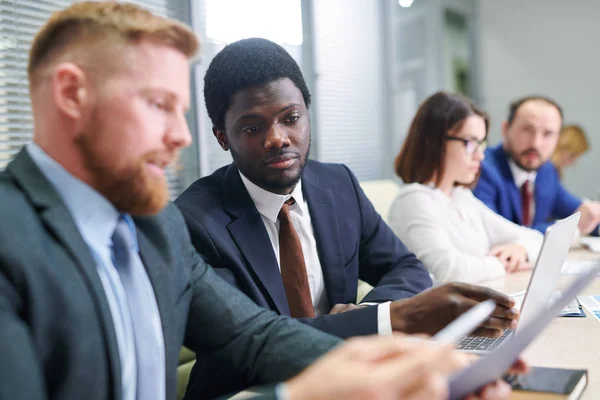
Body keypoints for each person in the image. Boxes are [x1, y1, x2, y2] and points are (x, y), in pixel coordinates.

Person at [0, 3, 523, 400]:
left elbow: (254, 337)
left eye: (179, 111)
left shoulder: (152, 224)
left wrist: (411, 366)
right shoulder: (11, 236)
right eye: (158, 105)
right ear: (72, 95)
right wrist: (302, 394)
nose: (181, 137)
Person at [175, 38, 520, 397]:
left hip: (358, 382)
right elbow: (251, 346)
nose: (277, 138)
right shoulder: (193, 222)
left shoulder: (338, 185)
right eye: (252, 128)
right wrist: (380, 321)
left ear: (307, 115)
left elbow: (406, 267)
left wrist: (368, 311)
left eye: (291, 118)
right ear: (221, 137)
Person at [389, 92, 544, 284]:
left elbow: (536, 239)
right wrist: (502, 263)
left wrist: (519, 250)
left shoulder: (461, 197)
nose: (480, 156)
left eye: (481, 144)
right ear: (435, 141)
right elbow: (452, 271)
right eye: (470, 143)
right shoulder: (413, 200)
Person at [473, 95, 600, 235]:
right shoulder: (481, 169)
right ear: (505, 129)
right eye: (527, 130)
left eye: (548, 133)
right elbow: (495, 234)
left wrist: (591, 215)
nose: (536, 143)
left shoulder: (546, 170)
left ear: (557, 138)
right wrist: (562, 230)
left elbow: (581, 214)